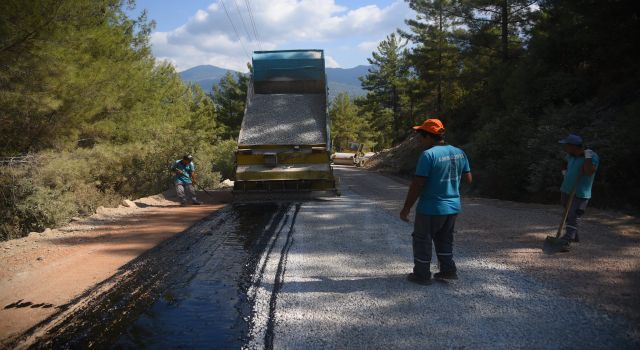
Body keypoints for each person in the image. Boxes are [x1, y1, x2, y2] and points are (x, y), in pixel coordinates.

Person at [400, 118, 472, 285]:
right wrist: (451, 187)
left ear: (428, 137)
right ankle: (448, 270)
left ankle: (422, 274)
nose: (419, 140)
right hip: (452, 207)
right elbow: (468, 179)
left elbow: (418, 184)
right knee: (445, 238)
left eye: (421, 136)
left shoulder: (428, 155)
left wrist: (406, 208)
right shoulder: (460, 152)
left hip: (430, 208)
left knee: (422, 239)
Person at [557, 134, 599, 251]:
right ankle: (573, 234)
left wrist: (588, 157)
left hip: (581, 192)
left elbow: (589, 171)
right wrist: (564, 172)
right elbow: (564, 162)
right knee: (568, 214)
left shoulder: (592, 156)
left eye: (566, 145)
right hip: (566, 189)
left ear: (573, 146)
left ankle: (567, 240)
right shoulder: (570, 155)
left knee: (574, 215)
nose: (564, 147)